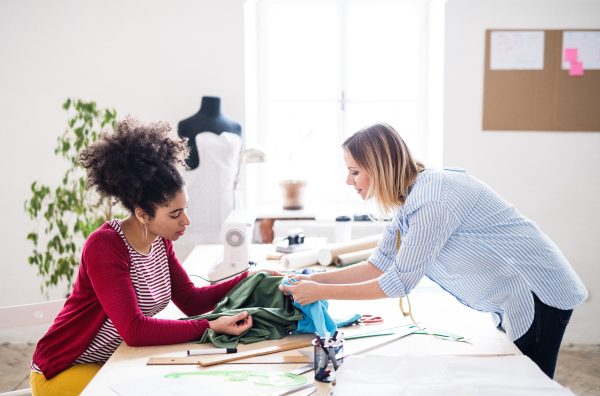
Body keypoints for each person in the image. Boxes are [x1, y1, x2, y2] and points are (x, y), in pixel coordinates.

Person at [279, 122, 587, 379]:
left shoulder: (432, 200)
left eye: (354, 171)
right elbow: (378, 265)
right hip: (518, 293)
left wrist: (320, 291)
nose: (348, 181)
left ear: (379, 166)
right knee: (515, 377)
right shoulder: (409, 199)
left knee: (528, 384)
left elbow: (397, 283)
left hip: (540, 292)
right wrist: (315, 280)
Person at [29, 116, 280, 396]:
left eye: (185, 209)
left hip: (113, 359)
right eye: (175, 214)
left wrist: (250, 279)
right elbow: (134, 331)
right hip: (65, 368)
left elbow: (190, 300)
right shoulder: (105, 245)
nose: (186, 221)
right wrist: (209, 325)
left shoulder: (160, 241)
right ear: (142, 214)